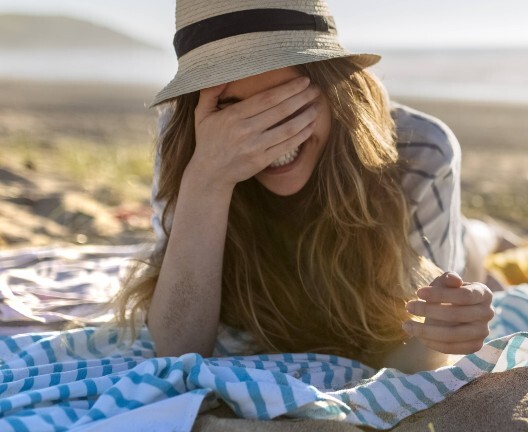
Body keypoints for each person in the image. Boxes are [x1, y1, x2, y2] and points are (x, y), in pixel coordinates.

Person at [112, 0, 495, 373]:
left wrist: (450, 326)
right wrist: (207, 178)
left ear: (334, 90)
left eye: (285, 102)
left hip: (456, 240)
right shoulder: (190, 143)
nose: (263, 138)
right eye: (235, 111)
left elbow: (415, 353)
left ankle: (490, 235)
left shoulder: (422, 152)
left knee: (478, 245)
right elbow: (178, 347)